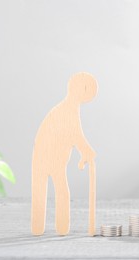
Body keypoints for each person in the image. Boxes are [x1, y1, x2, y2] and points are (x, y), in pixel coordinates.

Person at [31, 72, 97, 235]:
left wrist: (85, 150)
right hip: (48, 158)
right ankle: (47, 228)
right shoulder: (67, 110)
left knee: (52, 190)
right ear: (77, 89)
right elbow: (74, 134)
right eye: (86, 89)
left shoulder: (69, 108)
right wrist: (86, 150)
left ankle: (53, 228)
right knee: (53, 191)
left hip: (54, 160)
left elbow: (74, 135)